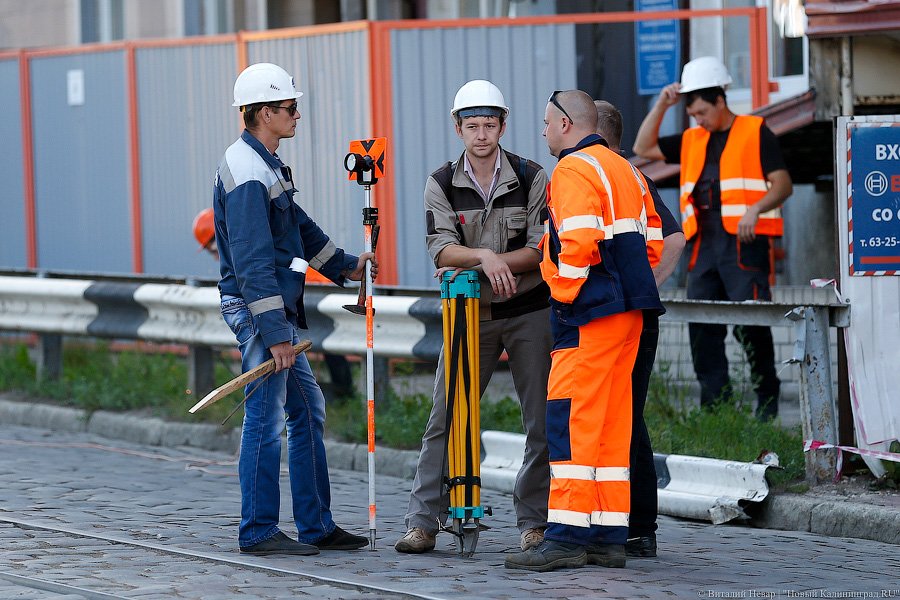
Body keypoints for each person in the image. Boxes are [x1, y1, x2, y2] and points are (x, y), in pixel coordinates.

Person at [213, 62, 375, 556]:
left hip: (273, 313)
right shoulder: (246, 170)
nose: (297, 114)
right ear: (264, 112)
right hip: (259, 312)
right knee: (265, 419)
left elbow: (296, 227)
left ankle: (316, 525)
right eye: (289, 107)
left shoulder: (265, 163)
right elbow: (252, 262)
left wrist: (345, 266)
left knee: (307, 410)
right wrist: (275, 334)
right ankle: (258, 530)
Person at [505, 90, 664, 572]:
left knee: (572, 424)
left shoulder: (573, 169)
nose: (543, 132)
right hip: (630, 313)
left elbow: (576, 243)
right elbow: (654, 242)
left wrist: (563, 292)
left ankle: (567, 537)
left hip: (589, 315)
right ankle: (608, 537)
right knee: (612, 425)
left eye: (547, 123)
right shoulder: (626, 169)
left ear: (566, 124)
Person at [395, 80, 552, 554]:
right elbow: (441, 249)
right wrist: (486, 257)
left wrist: (491, 261)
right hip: (468, 315)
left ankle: (535, 524)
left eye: (489, 125)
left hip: (529, 311)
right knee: (444, 416)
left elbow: (541, 248)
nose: (481, 135)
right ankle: (423, 522)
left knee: (541, 420)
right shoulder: (441, 182)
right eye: (472, 126)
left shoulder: (531, 176)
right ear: (457, 128)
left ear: (503, 125)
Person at [632, 56, 792, 420]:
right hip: (703, 244)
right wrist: (662, 104)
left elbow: (782, 184)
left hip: (744, 244)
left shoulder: (756, 131)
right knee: (703, 326)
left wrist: (755, 209)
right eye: (693, 114)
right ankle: (716, 407)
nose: (698, 120)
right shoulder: (693, 139)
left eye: (702, 112)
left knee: (752, 325)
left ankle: (767, 400)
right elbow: (643, 147)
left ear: (721, 100)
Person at [595, 100, 685, 559]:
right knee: (625, 417)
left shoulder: (621, 179)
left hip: (622, 316)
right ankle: (634, 526)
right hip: (625, 313)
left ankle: (632, 525)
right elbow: (672, 237)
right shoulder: (624, 177)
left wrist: (640, 289)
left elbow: (674, 238)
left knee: (623, 418)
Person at [193, 207, 355, 398]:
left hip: (313, 290)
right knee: (321, 351)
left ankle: (342, 391)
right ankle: (341, 392)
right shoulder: (257, 232)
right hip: (315, 288)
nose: (214, 256)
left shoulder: (246, 246)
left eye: (212, 249)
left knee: (312, 351)